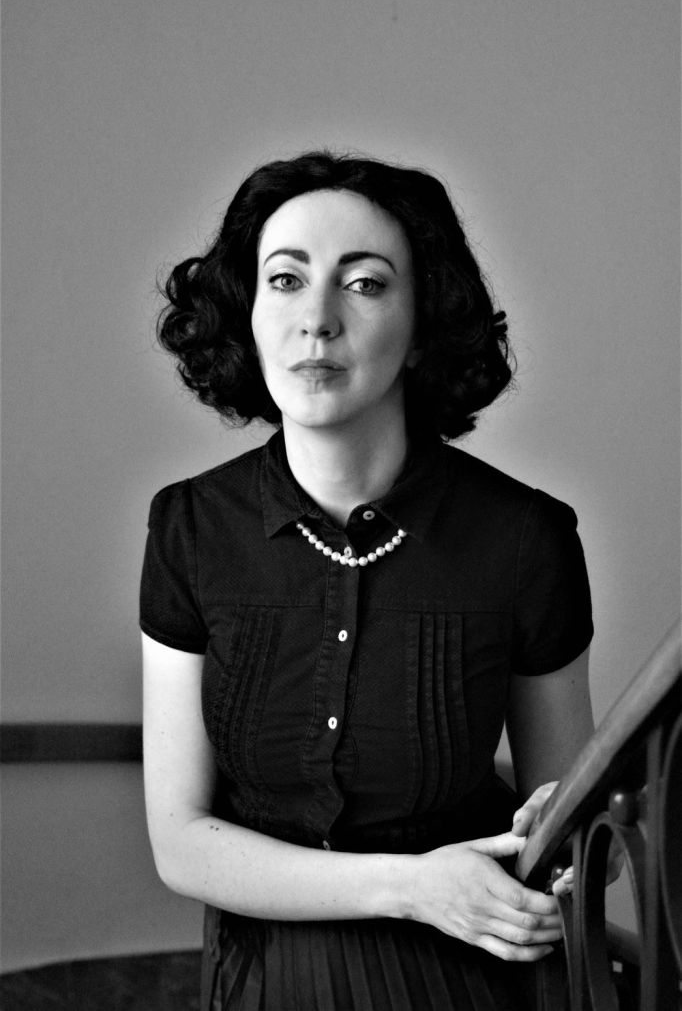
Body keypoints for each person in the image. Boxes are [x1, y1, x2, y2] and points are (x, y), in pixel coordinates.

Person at [140, 151, 595, 1011]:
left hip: (472, 975)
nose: (317, 320)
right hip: (266, 975)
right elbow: (181, 842)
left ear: (424, 326)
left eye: (365, 284)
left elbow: (573, 830)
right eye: (285, 280)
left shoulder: (525, 539)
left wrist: (559, 852)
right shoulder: (190, 529)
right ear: (246, 315)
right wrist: (411, 886)